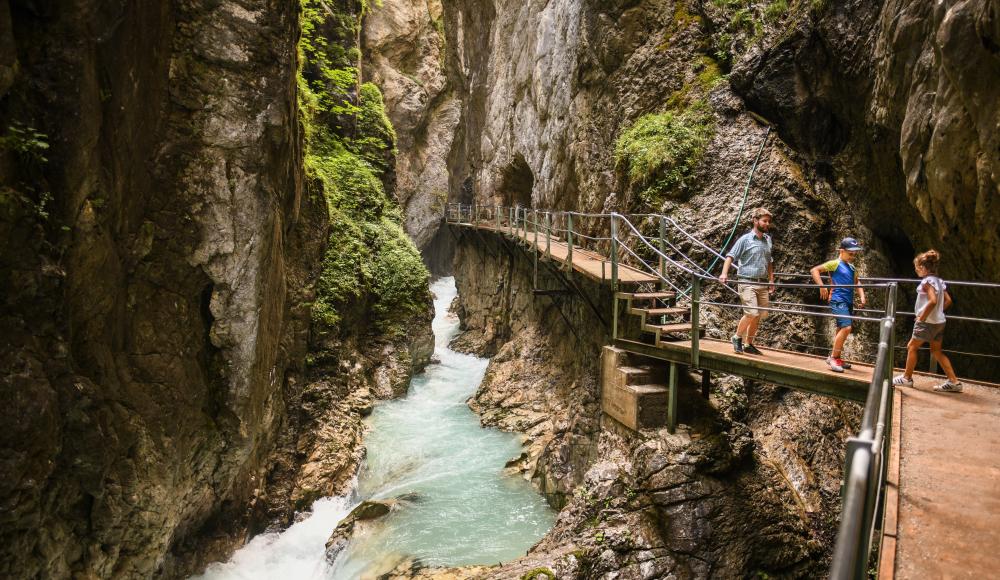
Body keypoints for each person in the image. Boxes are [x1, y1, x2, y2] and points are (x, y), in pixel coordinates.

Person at [892, 250, 963, 392]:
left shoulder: (926, 282)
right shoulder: (939, 281)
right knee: (936, 351)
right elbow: (948, 300)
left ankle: (907, 378)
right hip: (939, 322)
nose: (916, 270)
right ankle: (954, 382)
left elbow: (932, 301)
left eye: (917, 268)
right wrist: (937, 313)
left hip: (927, 323)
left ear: (923, 268)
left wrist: (922, 317)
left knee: (912, 347)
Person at [719, 207, 775, 355]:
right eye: (764, 221)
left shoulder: (768, 240)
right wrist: (724, 273)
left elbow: (769, 261)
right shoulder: (745, 239)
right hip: (747, 282)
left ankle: (748, 344)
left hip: (762, 282)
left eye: (769, 221)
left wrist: (771, 280)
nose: (767, 224)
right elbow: (730, 256)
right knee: (751, 312)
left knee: (759, 315)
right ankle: (736, 337)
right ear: (755, 221)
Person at [810, 238, 867, 373]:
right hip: (837, 299)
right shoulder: (835, 264)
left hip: (848, 301)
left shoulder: (852, 267)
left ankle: (838, 357)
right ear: (842, 251)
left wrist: (862, 296)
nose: (853, 256)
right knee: (847, 327)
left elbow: (857, 282)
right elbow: (815, 270)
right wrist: (822, 287)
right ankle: (833, 358)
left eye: (854, 254)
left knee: (841, 328)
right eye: (850, 253)